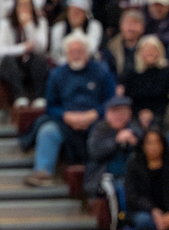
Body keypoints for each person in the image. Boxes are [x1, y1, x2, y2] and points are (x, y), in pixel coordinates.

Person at [23, 32, 115, 187]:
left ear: (87, 53)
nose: (76, 55)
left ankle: (98, 175)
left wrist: (94, 114)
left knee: (105, 132)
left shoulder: (102, 72)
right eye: (72, 52)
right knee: (47, 131)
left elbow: (111, 101)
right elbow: (51, 106)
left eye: (80, 51)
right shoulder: (57, 74)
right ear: (66, 54)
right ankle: (43, 172)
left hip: (96, 119)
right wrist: (66, 116)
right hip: (65, 120)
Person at [84, 94, 142, 221]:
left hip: (131, 175)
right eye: (115, 113)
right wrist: (116, 141)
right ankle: (121, 224)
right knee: (118, 188)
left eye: (122, 113)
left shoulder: (136, 131)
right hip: (104, 176)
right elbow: (95, 153)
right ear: (107, 114)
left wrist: (136, 144)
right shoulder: (99, 130)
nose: (119, 116)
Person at [0, 0, 51, 109]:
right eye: (21, 5)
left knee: (40, 59)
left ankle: (40, 97)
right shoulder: (6, 23)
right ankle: (19, 97)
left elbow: (41, 48)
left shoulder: (41, 22)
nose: (24, 8)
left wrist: (28, 26)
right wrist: (23, 48)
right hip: (11, 64)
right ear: (15, 7)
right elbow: (0, 50)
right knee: (8, 60)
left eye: (27, 5)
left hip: (31, 62)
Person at [123, 35, 169, 128]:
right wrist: (141, 113)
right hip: (137, 114)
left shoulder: (168, 71)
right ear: (139, 52)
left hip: (161, 113)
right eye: (146, 50)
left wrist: (152, 113)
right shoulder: (132, 73)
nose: (149, 52)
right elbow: (129, 98)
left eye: (153, 49)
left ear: (159, 51)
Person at [49, 0, 103, 64]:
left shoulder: (94, 26)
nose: (73, 15)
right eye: (71, 11)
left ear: (85, 14)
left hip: (88, 63)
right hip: (63, 65)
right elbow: (56, 52)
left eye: (77, 12)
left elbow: (91, 48)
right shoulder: (59, 27)